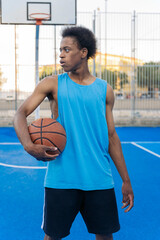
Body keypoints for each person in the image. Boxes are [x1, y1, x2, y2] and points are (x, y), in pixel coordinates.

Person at [14, 26, 134, 240]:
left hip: (98, 178)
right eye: (60, 50)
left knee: (105, 236)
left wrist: (126, 180)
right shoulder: (52, 83)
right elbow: (20, 114)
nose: (61, 54)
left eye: (67, 49)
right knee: (53, 236)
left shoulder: (104, 89)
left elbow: (112, 136)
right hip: (61, 179)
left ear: (84, 52)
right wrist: (29, 145)